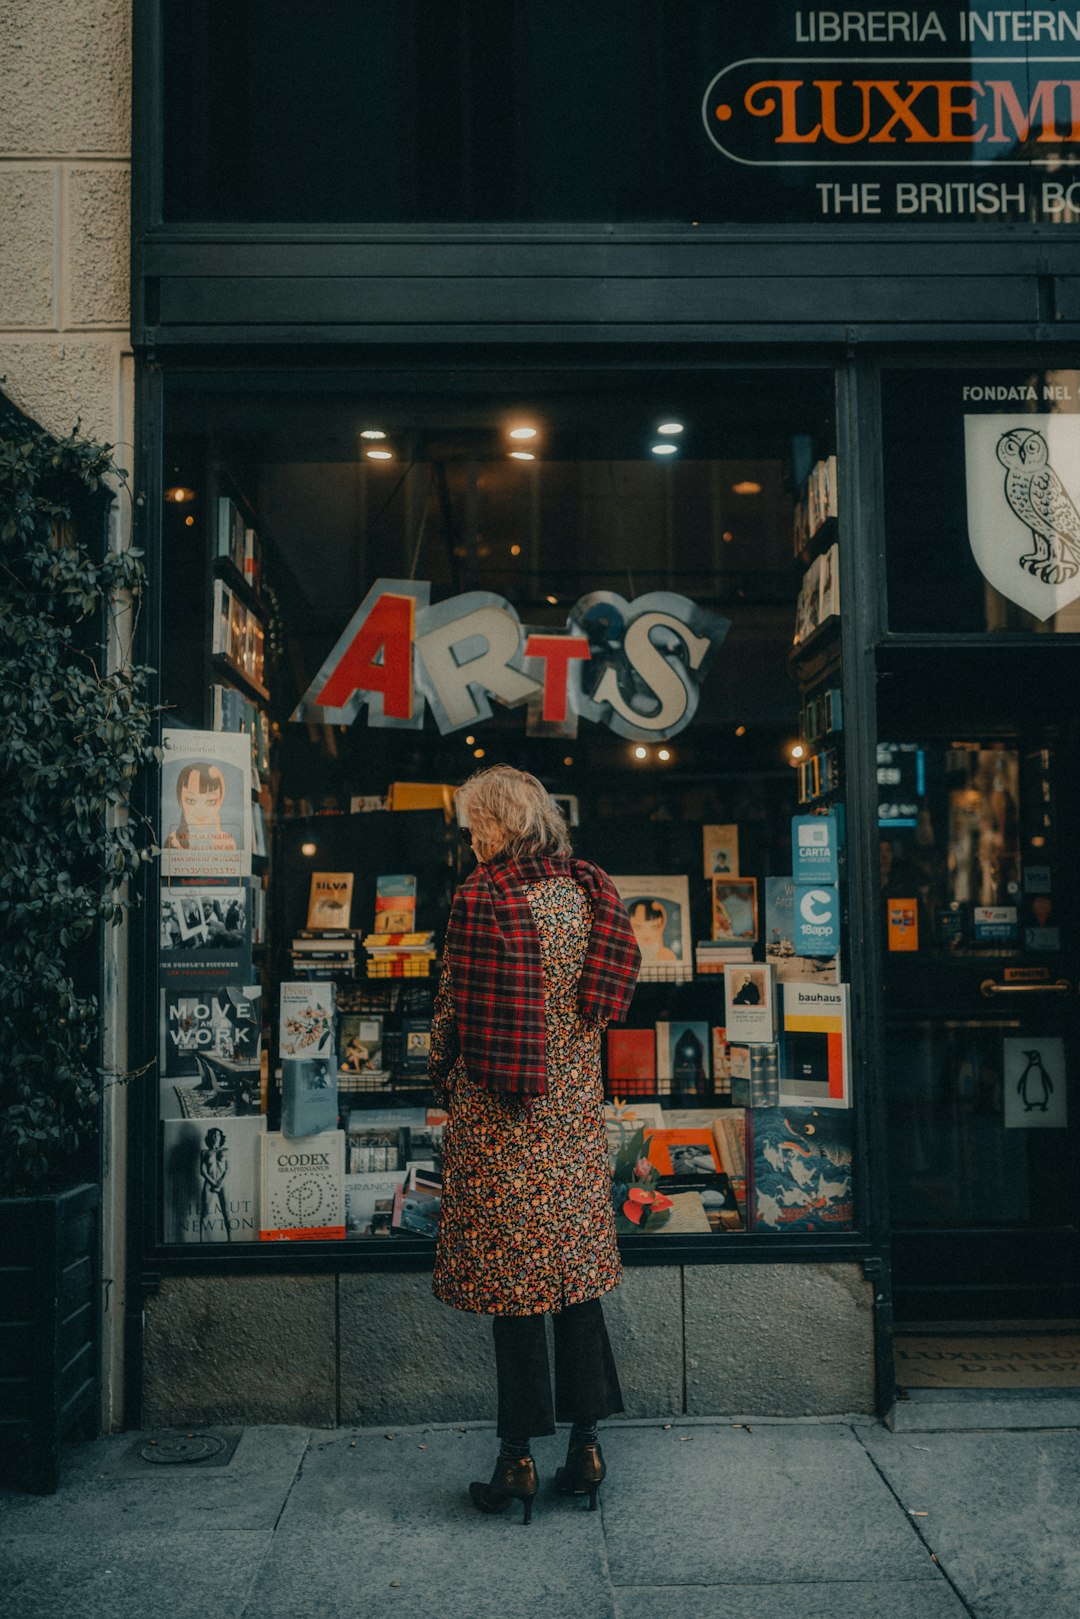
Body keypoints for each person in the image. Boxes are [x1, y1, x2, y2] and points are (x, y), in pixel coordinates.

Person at [429, 765, 641, 1524]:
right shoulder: (590, 894)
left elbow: (452, 1012)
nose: (468, 836)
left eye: (472, 823)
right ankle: (585, 1449)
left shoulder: (481, 902)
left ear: (496, 822)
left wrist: (433, 1069)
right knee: (574, 1285)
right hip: (573, 1122)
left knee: (513, 1293)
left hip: (502, 1119)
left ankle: (516, 1459)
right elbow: (603, 1003)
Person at [165, 762, 238, 852]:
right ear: (180, 801)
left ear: (220, 802)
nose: (200, 810)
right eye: (191, 801)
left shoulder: (227, 843)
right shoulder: (173, 841)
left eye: (210, 801)